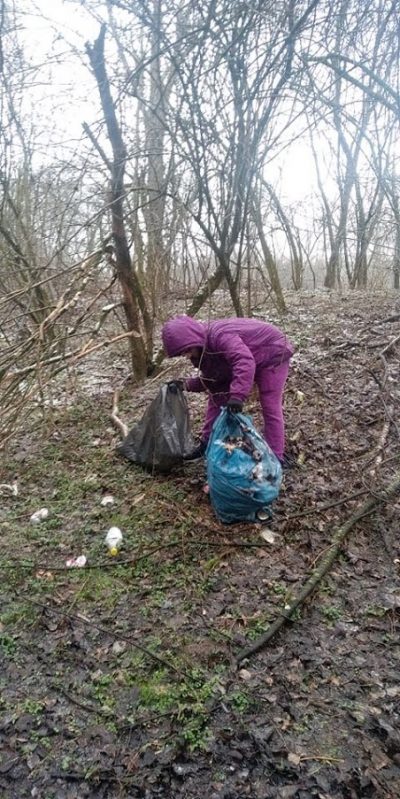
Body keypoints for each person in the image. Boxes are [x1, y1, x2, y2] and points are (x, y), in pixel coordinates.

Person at [161, 315, 294, 463]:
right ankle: (207, 443)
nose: (186, 355)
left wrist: (237, 395)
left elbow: (243, 360)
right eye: (182, 353)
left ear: (192, 338)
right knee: (217, 395)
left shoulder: (220, 336)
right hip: (249, 358)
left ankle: (275, 456)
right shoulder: (202, 350)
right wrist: (185, 385)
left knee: (270, 404)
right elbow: (213, 379)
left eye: (186, 350)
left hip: (273, 352)